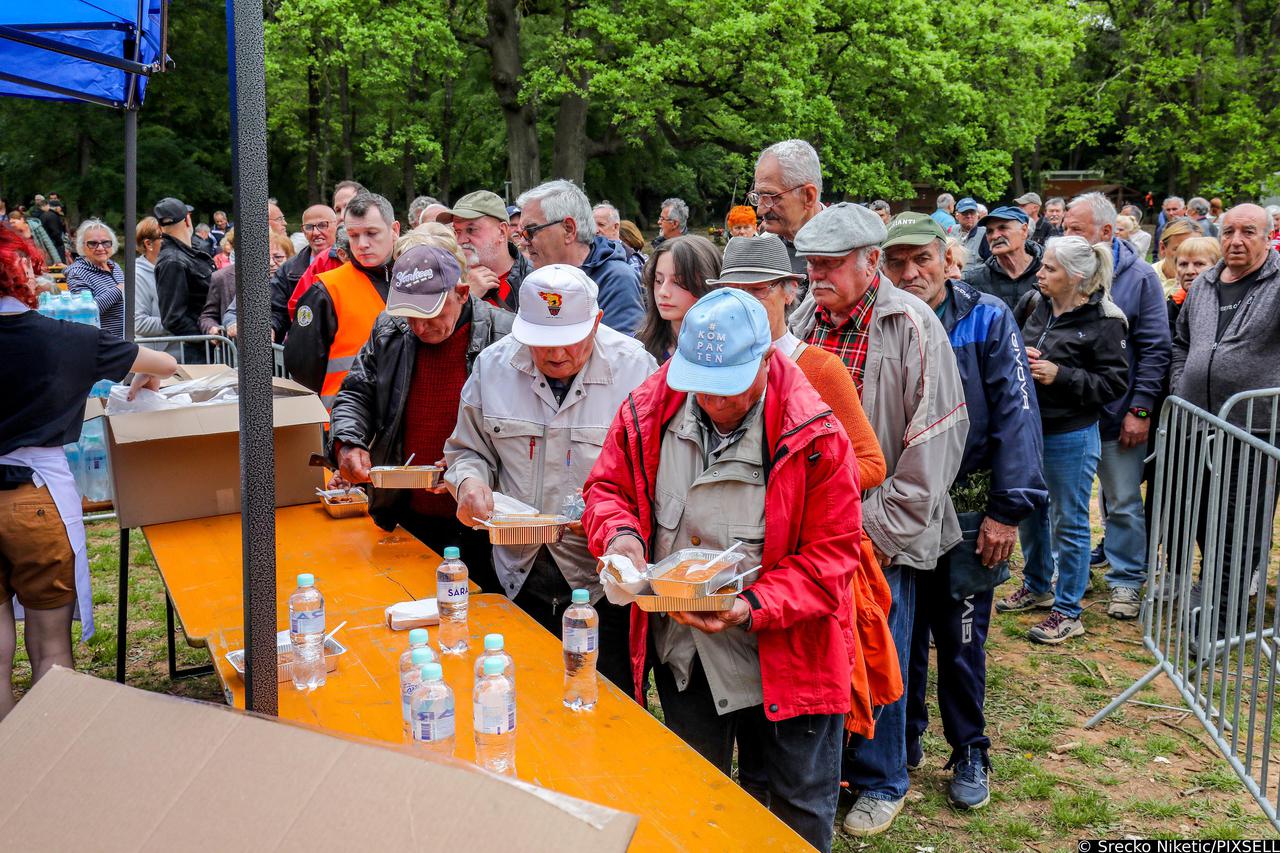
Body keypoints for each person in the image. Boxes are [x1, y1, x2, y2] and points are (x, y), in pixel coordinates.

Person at [585, 288, 867, 852]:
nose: (711, 400)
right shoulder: (649, 407)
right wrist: (621, 538)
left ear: (766, 360)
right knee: (697, 801)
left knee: (796, 815)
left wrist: (751, 605)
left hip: (792, 658)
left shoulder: (818, 436)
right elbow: (606, 488)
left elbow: (832, 557)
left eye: (729, 387)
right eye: (701, 386)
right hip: (685, 651)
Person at [788, 203, 969, 837]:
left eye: (830, 264)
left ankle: (882, 779)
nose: (815, 276)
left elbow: (937, 438)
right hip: (817, 530)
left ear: (870, 262)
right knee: (829, 652)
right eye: (809, 264)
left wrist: (881, 531)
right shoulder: (803, 319)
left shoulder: (913, 323)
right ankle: (834, 767)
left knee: (883, 649)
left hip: (884, 529)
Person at [879, 213, 1046, 812]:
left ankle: (970, 746)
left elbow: (1016, 415)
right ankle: (907, 736)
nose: (910, 273)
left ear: (947, 258)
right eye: (895, 263)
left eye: (921, 259)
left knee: (960, 633)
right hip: (901, 501)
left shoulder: (986, 316)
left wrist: (1007, 509)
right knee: (903, 627)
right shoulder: (883, 320)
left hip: (970, 503)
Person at [444, 264, 657, 697]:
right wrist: (469, 483)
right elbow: (467, 450)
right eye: (541, 344)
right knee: (515, 701)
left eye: (568, 342)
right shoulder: (493, 366)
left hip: (602, 583)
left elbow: (658, 473)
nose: (555, 355)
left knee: (605, 709)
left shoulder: (637, 370)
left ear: (596, 323)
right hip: (515, 575)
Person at [0, 226, 177, 720]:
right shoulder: (68, 337)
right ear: (26, 276)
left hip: (27, 488)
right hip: (35, 497)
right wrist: (147, 375)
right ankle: (53, 748)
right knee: (50, 643)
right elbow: (163, 361)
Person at [329, 238, 512, 594]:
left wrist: (472, 463)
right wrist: (348, 443)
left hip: (484, 518)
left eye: (430, 316)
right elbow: (355, 392)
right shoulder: (389, 329)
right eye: (408, 316)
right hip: (407, 509)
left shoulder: (504, 335)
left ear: (461, 292)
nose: (418, 327)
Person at [998, 237, 1128, 643]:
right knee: (1032, 513)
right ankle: (1038, 586)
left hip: (1072, 433)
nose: (1040, 272)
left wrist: (1061, 375)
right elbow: (1016, 343)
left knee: (1069, 522)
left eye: (1050, 268)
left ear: (1076, 278)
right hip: (1031, 428)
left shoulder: (1106, 320)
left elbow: (1115, 382)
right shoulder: (1035, 304)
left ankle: (1068, 610)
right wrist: (1027, 355)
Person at [1170, 204, 1280, 641]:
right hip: (1201, 421)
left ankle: (1222, 618)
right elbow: (1181, 341)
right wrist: (1182, 385)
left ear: (1268, 236)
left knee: (1241, 522)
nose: (1236, 240)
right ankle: (1212, 592)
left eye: (1248, 231)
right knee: (1203, 514)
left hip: (1258, 427)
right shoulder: (1207, 284)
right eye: (1228, 230)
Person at [1063, 193, 1171, 620]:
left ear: (1106, 232)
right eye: (1065, 227)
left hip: (1117, 411)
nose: (1067, 235)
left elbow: (1156, 349)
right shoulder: (1062, 267)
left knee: (1123, 499)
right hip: (1068, 414)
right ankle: (1070, 574)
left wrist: (1140, 409)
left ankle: (1127, 580)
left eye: (1076, 228)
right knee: (1065, 502)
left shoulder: (1140, 278)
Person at [286, 192, 399, 406]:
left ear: (394, 230)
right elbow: (303, 368)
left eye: (372, 233)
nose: (362, 244)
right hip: (346, 425)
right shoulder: (326, 290)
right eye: (353, 235)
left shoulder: (415, 278)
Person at [513, 180, 645, 335]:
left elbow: (621, 353)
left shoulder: (616, 279)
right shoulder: (537, 276)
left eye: (530, 231)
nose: (523, 242)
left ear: (568, 229)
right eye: (521, 233)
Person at [635, 234, 721, 362]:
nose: (663, 292)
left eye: (678, 282)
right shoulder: (638, 348)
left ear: (707, 284)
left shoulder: (729, 351)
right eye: (659, 280)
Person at [442, 190, 531, 311]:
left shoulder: (534, 280)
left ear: (501, 231)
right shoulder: (444, 280)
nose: (461, 240)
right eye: (457, 232)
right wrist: (465, 297)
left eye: (471, 229)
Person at [288, 182, 368, 316]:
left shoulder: (388, 254)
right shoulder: (324, 260)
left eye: (349, 207)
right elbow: (297, 307)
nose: (342, 216)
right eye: (337, 210)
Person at [153, 196, 215, 363]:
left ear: (160, 227)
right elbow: (173, 318)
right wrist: (208, 340)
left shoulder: (186, 253)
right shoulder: (172, 261)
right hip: (203, 353)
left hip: (209, 345)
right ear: (188, 219)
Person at [752, 139, 825, 275]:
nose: (760, 210)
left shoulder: (849, 252)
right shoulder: (760, 249)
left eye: (771, 197)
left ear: (808, 196)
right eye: (758, 196)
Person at [204, 231, 293, 339]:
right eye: (264, 257)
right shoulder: (251, 284)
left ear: (290, 258)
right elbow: (225, 313)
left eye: (278, 257)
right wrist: (232, 324)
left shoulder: (299, 280)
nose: (271, 263)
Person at [273, 204, 337, 339]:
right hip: (305, 345)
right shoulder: (288, 268)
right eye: (309, 227)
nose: (315, 232)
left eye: (322, 225)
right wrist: (271, 328)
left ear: (336, 225)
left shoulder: (350, 261)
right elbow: (277, 310)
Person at [962, 206, 1043, 310]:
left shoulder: (1046, 273)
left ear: (1024, 230)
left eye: (1003, 228)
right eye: (990, 231)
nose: (995, 236)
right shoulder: (973, 280)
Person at [65, 219, 125, 339]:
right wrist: (119, 289)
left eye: (106, 242)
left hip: (124, 339)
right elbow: (85, 311)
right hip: (103, 343)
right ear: (82, 246)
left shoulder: (114, 266)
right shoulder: (77, 272)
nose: (100, 248)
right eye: (93, 243)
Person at [133, 217, 181, 356]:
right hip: (156, 360)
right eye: (166, 238)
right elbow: (139, 323)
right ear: (148, 244)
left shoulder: (176, 267)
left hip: (186, 353)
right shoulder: (138, 275)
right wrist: (180, 324)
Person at [1166, 236, 1222, 334]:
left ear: (1217, 268)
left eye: (1199, 264)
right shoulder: (1171, 307)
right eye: (1183, 264)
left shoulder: (1228, 303)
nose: (1190, 271)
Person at [1151, 217, 1202, 296]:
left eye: (1196, 249)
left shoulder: (1207, 279)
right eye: (1180, 249)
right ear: (1162, 248)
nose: (1189, 256)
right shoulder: (1147, 277)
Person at [33, 195, 67, 263]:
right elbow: (55, 232)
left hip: (48, 244)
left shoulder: (43, 215)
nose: (60, 208)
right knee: (60, 264)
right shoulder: (51, 215)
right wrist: (60, 243)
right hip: (55, 244)